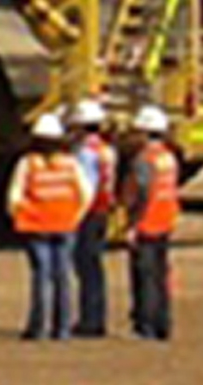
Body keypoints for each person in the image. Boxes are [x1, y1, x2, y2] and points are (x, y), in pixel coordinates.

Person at [5, 113, 90, 340]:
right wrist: (76, 217)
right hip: (65, 225)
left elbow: (14, 196)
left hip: (36, 226)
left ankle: (39, 327)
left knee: (41, 276)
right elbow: (85, 193)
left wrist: (19, 217)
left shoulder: (28, 163)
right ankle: (62, 328)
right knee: (63, 276)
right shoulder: (70, 163)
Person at [124, 103, 184, 343]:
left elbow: (142, 193)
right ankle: (163, 323)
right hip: (165, 220)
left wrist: (132, 224)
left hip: (147, 223)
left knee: (146, 277)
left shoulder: (144, 160)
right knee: (161, 276)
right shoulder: (168, 157)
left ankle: (146, 325)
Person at [68, 95, 116, 339]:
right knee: (95, 268)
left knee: (86, 268)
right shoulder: (107, 150)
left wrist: (74, 216)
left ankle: (91, 320)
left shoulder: (84, 153)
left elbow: (85, 187)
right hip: (103, 211)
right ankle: (96, 317)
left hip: (88, 213)